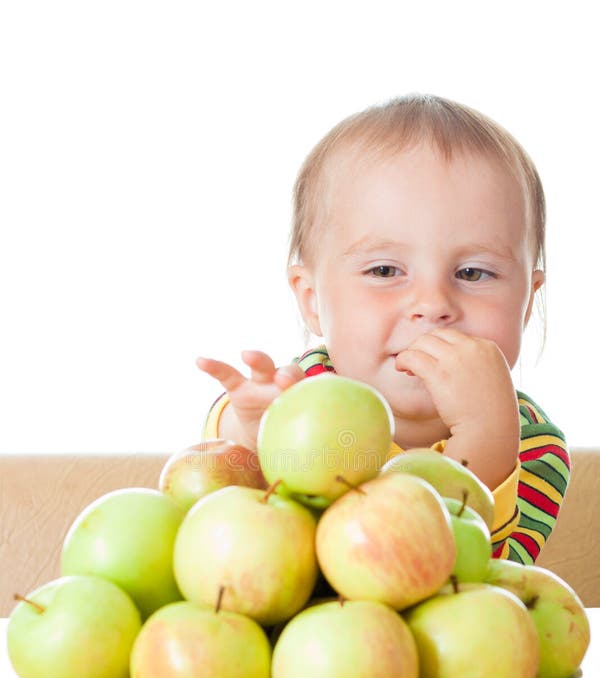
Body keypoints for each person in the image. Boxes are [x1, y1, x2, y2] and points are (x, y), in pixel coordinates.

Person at [196, 93, 569, 565]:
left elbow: (476, 585)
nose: (433, 305)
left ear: (528, 303)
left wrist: (486, 440)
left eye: (473, 273)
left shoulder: (531, 443)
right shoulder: (306, 395)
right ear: (312, 301)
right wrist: (255, 433)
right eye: (385, 271)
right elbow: (231, 531)